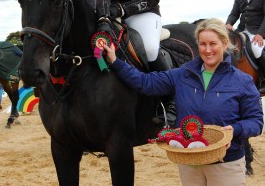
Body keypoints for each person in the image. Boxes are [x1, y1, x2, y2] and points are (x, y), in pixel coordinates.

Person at [103, 18, 263, 186]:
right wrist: (115, 61)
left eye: (213, 44)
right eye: (202, 44)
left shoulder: (243, 81)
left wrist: (236, 129)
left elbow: (256, 122)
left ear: (224, 44)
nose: (207, 50)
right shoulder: (181, 74)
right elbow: (145, 83)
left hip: (227, 163)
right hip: (190, 163)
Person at [226, 0, 265, 84]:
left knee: (256, 48)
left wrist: (260, 34)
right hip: (241, 30)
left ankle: (263, 79)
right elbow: (234, 14)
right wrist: (228, 23)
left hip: (257, 31)